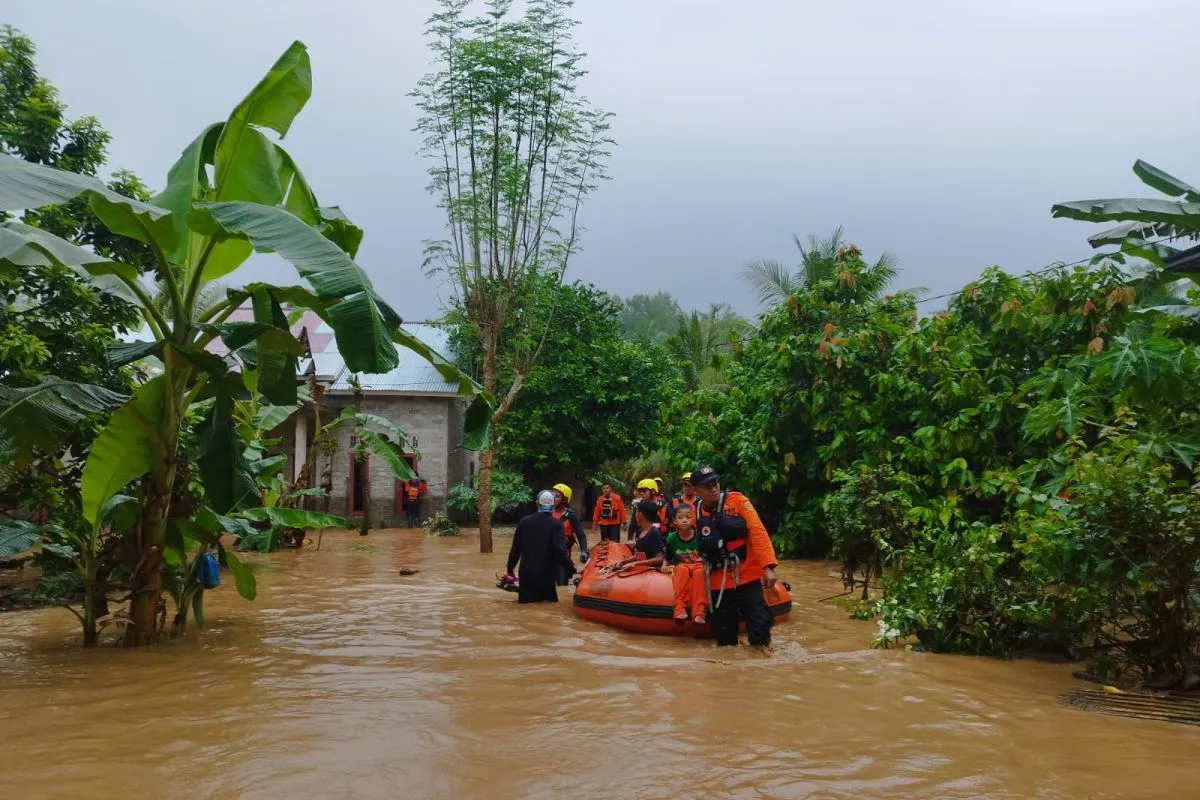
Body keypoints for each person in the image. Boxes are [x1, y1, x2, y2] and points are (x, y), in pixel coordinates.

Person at [690, 466, 778, 647]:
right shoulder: (694, 512)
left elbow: (757, 532)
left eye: (715, 483)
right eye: (707, 486)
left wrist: (768, 566)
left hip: (746, 576)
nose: (713, 488)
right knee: (725, 637)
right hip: (718, 581)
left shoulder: (737, 501)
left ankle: (761, 662)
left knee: (760, 625)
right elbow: (689, 540)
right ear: (696, 490)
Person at [505, 489, 576, 604]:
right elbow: (560, 550)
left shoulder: (524, 522)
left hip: (526, 575)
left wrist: (510, 569)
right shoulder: (556, 524)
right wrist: (571, 569)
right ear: (553, 505)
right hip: (547, 576)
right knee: (549, 610)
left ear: (537, 503)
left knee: (526, 613)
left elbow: (515, 549)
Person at [664, 504, 708, 624]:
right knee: (682, 570)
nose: (684, 520)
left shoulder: (700, 537)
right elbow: (667, 558)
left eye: (688, 517)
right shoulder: (671, 539)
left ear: (693, 519)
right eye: (680, 517)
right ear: (674, 521)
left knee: (699, 573)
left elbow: (706, 556)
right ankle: (679, 609)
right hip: (681, 566)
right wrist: (664, 566)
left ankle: (699, 613)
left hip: (698, 565)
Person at [612, 501, 665, 572]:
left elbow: (660, 558)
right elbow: (640, 555)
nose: (634, 515)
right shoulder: (640, 531)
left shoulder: (654, 532)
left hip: (651, 573)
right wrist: (624, 562)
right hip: (641, 571)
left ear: (641, 514)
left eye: (636, 512)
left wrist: (635, 563)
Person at [551, 483, 588, 585]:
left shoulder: (570, 516)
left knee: (561, 586)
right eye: (552, 495)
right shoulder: (546, 513)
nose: (553, 498)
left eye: (557, 496)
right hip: (548, 557)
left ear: (564, 500)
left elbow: (580, 535)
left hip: (563, 558)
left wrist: (584, 551)